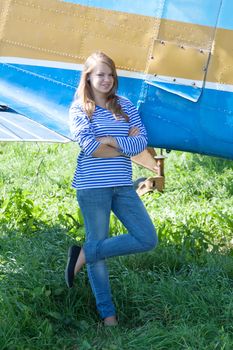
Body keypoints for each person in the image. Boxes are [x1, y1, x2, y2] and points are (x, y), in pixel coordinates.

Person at [65, 51, 158, 326]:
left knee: (146, 238)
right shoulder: (79, 108)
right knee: (100, 249)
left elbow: (141, 142)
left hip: (122, 186)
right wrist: (121, 143)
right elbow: (90, 147)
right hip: (92, 187)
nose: (106, 80)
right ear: (89, 78)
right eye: (100, 75)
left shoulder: (125, 105)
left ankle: (83, 254)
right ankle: (108, 316)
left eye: (110, 75)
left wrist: (112, 142)